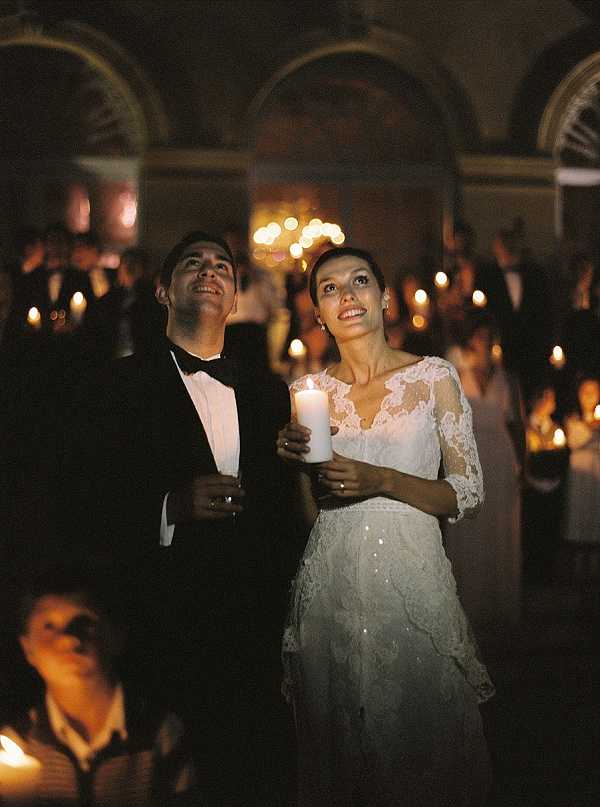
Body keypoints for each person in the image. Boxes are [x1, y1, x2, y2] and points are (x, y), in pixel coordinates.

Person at [65, 230, 295, 805]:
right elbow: (83, 500)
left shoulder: (270, 394)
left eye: (222, 265)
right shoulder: (116, 385)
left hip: (252, 627)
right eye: (193, 262)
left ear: (237, 298)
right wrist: (170, 507)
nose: (210, 270)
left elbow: (284, 516)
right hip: (161, 621)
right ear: (164, 290)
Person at [277, 246, 494, 806]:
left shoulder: (432, 377)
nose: (347, 295)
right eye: (329, 288)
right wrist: (298, 469)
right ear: (317, 314)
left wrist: (384, 480)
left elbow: (467, 493)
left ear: (384, 297)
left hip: (410, 580)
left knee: (420, 745)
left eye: (359, 281)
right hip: (330, 585)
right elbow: (312, 512)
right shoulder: (310, 394)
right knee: (338, 753)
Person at [1, 566, 197, 806]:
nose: (69, 639)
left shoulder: (160, 733)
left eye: (84, 622)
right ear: (28, 649)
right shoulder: (14, 746)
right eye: (48, 626)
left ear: (117, 636)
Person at [445, 309, 525, 629]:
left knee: (499, 526)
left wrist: (523, 465)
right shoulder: (458, 377)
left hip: (501, 461)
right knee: (471, 528)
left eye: (488, 337)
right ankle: (470, 603)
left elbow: (517, 424)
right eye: (479, 337)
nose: (484, 342)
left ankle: (500, 601)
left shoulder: (507, 380)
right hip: (469, 458)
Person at [478, 223, 553, 399]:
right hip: (500, 353)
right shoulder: (487, 277)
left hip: (532, 355)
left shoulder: (536, 275)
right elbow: (481, 315)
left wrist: (545, 350)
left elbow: (546, 315)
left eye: (509, 244)